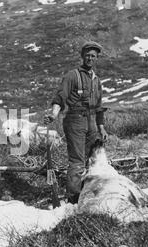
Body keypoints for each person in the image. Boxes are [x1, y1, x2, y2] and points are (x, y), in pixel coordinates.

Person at [44, 41, 108, 204]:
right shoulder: (72, 76)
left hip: (92, 122)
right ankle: (74, 199)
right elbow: (60, 97)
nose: (90, 58)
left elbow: (99, 106)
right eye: (87, 55)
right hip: (75, 121)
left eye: (93, 56)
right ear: (82, 56)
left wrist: (102, 128)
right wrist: (53, 114)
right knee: (77, 162)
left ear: (97, 58)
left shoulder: (97, 80)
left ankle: (88, 192)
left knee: (91, 159)